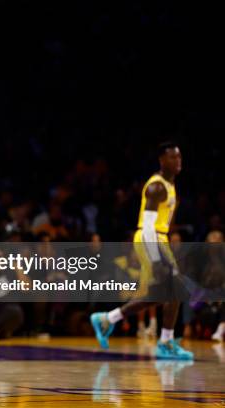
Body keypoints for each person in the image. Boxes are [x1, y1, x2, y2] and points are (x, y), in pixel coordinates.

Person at [91, 141, 193, 360]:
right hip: (150, 238)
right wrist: (156, 259)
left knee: (162, 294)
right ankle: (165, 342)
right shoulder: (156, 186)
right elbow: (147, 225)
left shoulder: (170, 185)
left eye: (179, 157)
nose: (177, 161)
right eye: (172, 157)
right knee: (176, 289)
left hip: (159, 239)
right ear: (161, 160)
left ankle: (108, 319)